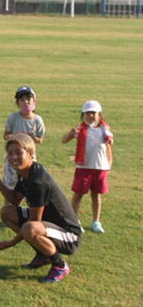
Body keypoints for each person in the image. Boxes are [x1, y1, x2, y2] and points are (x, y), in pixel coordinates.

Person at [0, 133, 82, 284]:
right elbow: (14, 200)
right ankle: (43, 255)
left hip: (69, 235)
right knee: (7, 212)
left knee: (30, 228)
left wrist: (10, 243)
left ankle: (59, 265)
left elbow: (34, 222)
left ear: (30, 154)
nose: (14, 157)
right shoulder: (25, 172)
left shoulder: (38, 180)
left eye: (18, 152)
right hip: (48, 225)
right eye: (10, 153)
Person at [61, 100, 113, 234]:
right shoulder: (80, 129)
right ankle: (73, 220)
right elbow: (64, 140)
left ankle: (96, 221)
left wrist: (109, 161)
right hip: (84, 168)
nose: (90, 116)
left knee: (96, 195)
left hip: (99, 167)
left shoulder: (104, 129)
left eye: (93, 113)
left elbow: (108, 145)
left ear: (99, 115)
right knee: (78, 194)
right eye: (87, 113)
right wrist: (71, 133)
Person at [1, 86, 45, 188]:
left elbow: (40, 140)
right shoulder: (13, 117)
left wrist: (34, 138)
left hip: (29, 157)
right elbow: (5, 136)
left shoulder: (37, 120)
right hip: (13, 156)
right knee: (10, 187)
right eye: (22, 100)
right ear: (18, 103)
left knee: (29, 185)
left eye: (28, 99)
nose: (25, 102)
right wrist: (15, 136)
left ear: (34, 101)